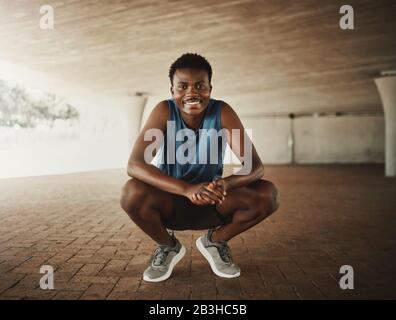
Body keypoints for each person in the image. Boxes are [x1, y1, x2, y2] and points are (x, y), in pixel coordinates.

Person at [120, 53, 279, 282]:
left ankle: (215, 241)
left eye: (199, 86)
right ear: (173, 90)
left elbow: (255, 167)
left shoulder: (222, 111)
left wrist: (224, 183)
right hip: (171, 203)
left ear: (210, 88)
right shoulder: (164, 111)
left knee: (268, 194)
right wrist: (186, 189)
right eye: (182, 86)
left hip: (212, 203)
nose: (191, 93)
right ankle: (167, 246)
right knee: (131, 192)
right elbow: (135, 164)